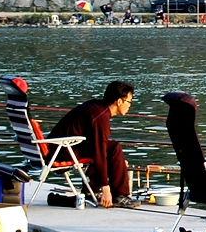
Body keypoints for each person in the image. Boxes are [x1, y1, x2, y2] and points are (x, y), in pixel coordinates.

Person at [49, 81, 139, 209]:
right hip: (62, 152)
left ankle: (91, 191)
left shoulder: (96, 106)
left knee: (110, 149)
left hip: (58, 147)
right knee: (113, 148)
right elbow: (99, 152)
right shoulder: (100, 118)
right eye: (129, 102)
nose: (130, 105)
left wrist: (117, 163)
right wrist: (106, 189)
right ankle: (119, 195)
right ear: (119, 101)